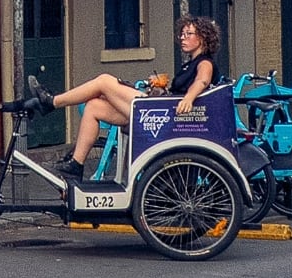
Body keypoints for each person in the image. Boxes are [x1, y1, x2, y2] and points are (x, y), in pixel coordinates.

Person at [19, 14, 224, 178]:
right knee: (93, 106)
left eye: (189, 34)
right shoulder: (190, 63)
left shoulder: (204, 62)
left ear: (203, 39)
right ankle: (76, 165)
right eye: (182, 34)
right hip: (160, 110)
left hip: (164, 116)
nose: (182, 37)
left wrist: (189, 98)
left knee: (104, 81)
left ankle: (51, 102)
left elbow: (202, 81)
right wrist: (160, 89)